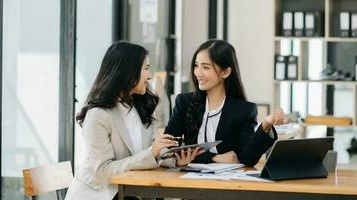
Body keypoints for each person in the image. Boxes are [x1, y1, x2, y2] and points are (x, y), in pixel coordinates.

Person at [65, 41, 201, 200]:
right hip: (100, 194)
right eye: (146, 68)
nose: (149, 76)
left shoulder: (140, 107)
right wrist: (152, 152)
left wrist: (175, 160)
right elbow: (103, 172)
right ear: (128, 71)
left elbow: (148, 152)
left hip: (129, 193)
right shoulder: (98, 115)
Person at [165, 39, 287, 167]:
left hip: (228, 183)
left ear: (226, 72)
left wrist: (266, 124)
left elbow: (247, 158)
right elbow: (168, 150)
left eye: (205, 67)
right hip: (188, 180)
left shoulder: (244, 110)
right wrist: (215, 157)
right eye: (196, 65)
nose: (198, 73)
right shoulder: (184, 102)